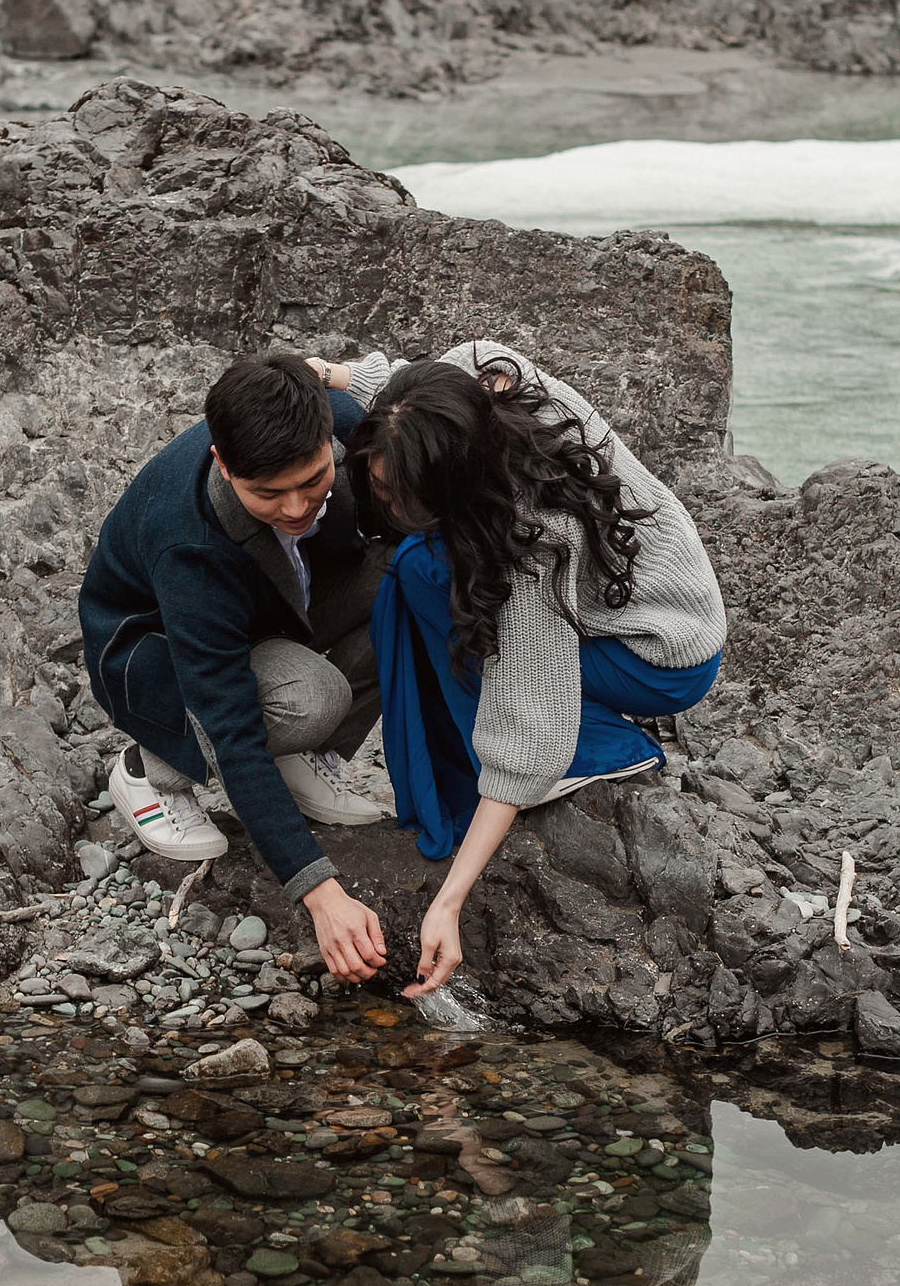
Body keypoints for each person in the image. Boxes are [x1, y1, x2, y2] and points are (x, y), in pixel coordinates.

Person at [319, 341, 726, 999]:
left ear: (456, 483)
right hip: (649, 598)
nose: (387, 505)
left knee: (425, 575)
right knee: (420, 568)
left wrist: (449, 900)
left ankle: (607, 751)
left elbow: (525, 727)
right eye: (382, 486)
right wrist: (332, 374)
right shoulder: (484, 373)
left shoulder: (533, 535)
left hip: (660, 651)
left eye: (402, 496)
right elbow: (409, 391)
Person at [78, 350, 395, 982]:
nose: (299, 507)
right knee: (311, 700)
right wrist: (320, 892)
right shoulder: (187, 542)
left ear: (328, 437)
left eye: (313, 480)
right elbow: (229, 721)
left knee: (412, 581)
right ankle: (149, 766)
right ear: (225, 465)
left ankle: (299, 758)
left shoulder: (339, 418)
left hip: (270, 603)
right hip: (154, 649)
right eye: (268, 495)